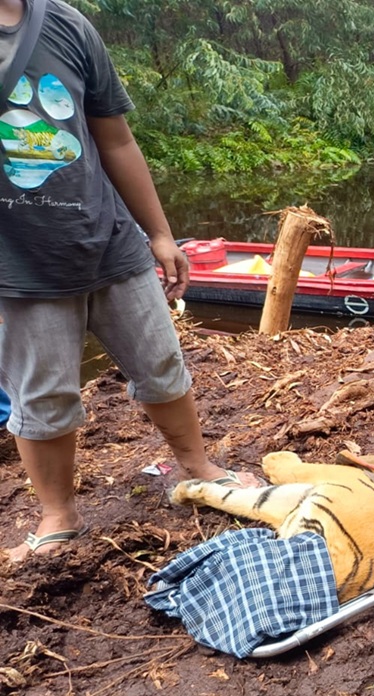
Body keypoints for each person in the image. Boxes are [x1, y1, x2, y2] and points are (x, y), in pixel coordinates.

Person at [0, 0, 258, 563]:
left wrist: (160, 234)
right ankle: (58, 516)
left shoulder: (67, 24)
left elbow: (115, 139)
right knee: (43, 394)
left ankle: (197, 465)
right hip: (20, 264)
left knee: (161, 362)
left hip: (109, 240)